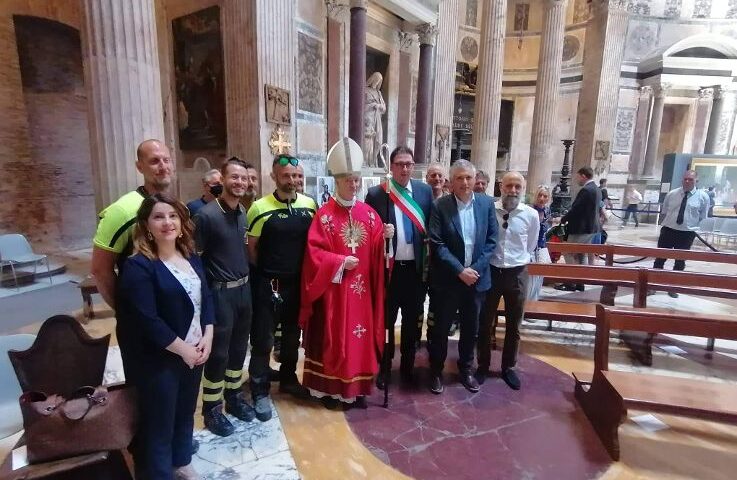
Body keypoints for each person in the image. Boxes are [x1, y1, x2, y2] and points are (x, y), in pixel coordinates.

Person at [118, 194, 213, 480]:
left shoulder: (191, 256)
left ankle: (181, 460)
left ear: (182, 223)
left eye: (172, 216)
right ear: (146, 225)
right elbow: (147, 319)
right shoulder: (138, 266)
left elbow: (206, 298)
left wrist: (208, 335)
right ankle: (159, 473)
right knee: (160, 421)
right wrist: (183, 349)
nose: (167, 222)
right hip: (160, 357)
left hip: (195, 350)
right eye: (158, 217)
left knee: (185, 411)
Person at [299, 138, 392, 409]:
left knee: (358, 338)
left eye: (357, 180)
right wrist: (339, 262)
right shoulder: (324, 215)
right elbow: (314, 255)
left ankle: (357, 387)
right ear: (337, 182)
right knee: (334, 339)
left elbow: (379, 253)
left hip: (362, 294)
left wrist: (386, 240)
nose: (354, 185)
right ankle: (331, 389)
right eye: (349, 180)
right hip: (334, 293)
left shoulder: (372, 215)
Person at [194, 157, 260, 437]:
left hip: (244, 291)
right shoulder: (206, 216)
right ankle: (211, 408)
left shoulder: (243, 213)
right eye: (234, 177)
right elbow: (195, 262)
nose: (240, 183)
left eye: (244, 179)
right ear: (222, 180)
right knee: (218, 354)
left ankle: (233, 396)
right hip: (219, 293)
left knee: (237, 350)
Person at [247, 155, 316, 402]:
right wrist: (269, 273)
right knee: (263, 339)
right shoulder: (259, 208)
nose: (293, 180)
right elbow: (251, 249)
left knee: (290, 338)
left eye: (297, 175)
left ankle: (288, 379)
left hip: (298, 285)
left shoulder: (310, 204)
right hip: (270, 285)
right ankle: (259, 388)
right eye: (287, 175)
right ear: (274, 176)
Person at [427, 159, 497, 395]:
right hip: (448, 280)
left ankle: (466, 370)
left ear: (475, 179)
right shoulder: (440, 206)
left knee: (471, 328)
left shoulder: (487, 204)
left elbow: (491, 242)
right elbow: (436, 243)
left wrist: (473, 270)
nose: (465, 182)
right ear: (451, 181)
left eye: (468, 177)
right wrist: (460, 270)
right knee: (441, 329)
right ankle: (436, 371)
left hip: (477, 280)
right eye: (459, 178)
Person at [365, 146, 432, 388]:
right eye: (400, 164)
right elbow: (366, 232)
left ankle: (408, 365)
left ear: (413, 167)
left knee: (413, 322)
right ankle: (384, 368)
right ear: (391, 167)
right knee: (386, 322)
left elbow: (430, 231)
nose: (405, 168)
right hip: (389, 272)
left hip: (415, 271)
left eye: (409, 164)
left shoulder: (425, 192)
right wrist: (380, 234)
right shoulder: (376, 194)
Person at [476, 172, 539, 391]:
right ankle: (482, 365)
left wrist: (516, 261)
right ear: (501, 187)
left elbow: (530, 245)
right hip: (491, 271)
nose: (512, 190)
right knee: (485, 322)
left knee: (514, 324)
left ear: (523, 188)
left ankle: (508, 368)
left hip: (517, 273)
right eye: (509, 185)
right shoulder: (489, 210)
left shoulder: (531, 215)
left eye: (517, 186)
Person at [653, 170, 709, 297]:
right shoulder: (672, 194)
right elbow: (664, 212)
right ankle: (653, 285)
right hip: (668, 230)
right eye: (685, 179)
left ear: (696, 181)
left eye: (690, 179)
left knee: (680, 261)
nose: (687, 181)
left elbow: (702, 216)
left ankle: (673, 287)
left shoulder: (703, 197)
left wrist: (690, 225)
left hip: (687, 233)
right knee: (660, 259)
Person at [555, 166, 601, 292]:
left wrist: (563, 219)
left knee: (568, 252)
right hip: (591, 228)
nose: (576, 179)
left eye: (577, 176)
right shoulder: (597, 189)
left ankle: (571, 282)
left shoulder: (586, 190)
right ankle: (580, 283)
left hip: (581, 228)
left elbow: (576, 209)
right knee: (581, 255)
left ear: (583, 176)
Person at [528, 185, 553, 300]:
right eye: (540, 195)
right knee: (530, 278)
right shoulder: (530, 210)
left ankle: (535, 301)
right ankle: (527, 303)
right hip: (531, 248)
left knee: (539, 277)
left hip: (542, 247)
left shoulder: (547, 211)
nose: (542, 198)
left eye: (545, 196)